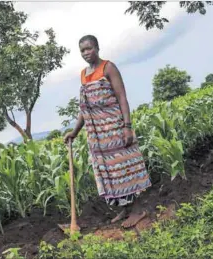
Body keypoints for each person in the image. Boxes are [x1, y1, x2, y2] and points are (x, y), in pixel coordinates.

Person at [64, 35, 152, 228]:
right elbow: (85, 109)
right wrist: (74, 132)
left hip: (115, 129)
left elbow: (122, 98)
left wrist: (127, 127)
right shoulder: (83, 74)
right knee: (112, 173)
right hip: (98, 137)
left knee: (125, 168)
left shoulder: (109, 68)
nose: (86, 53)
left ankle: (138, 210)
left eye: (89, 48)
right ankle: (125, 209)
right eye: (82, 50)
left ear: (97, 47)